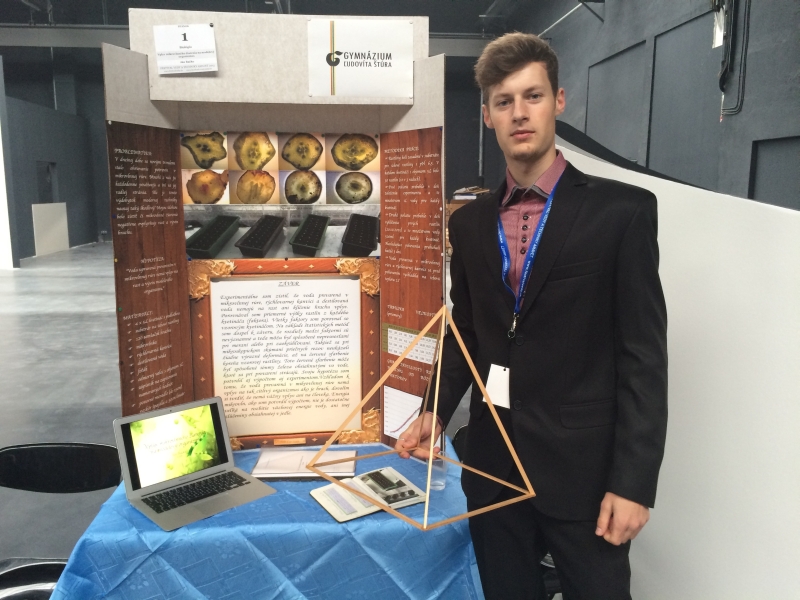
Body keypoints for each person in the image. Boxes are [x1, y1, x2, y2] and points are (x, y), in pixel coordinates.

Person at [396, 32, 668, 599]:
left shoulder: (622, 212)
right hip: (494, 468)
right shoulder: (469, 225)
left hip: (585, 475)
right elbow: (466, 330)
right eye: (504, 101)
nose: (519, 113)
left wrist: (634, 483)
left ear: (558, 101)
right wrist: (434, 411)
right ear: (488, 116)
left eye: (533, 96)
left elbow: (643, 356)